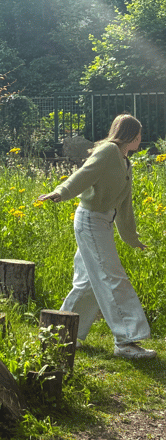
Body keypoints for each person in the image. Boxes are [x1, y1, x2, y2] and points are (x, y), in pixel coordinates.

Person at [38, 114, 154, 360]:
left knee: (88, 282)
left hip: (101, 222)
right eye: (139, 134)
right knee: (112, 277)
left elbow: (124, 205)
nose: (140, 138)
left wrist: (132, 237)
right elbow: (84, 174)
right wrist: (61, 191)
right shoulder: (109, 151)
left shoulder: (125, 161)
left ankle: (62, 334)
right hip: (90, 220)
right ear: (131, 135)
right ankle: (126, 340)